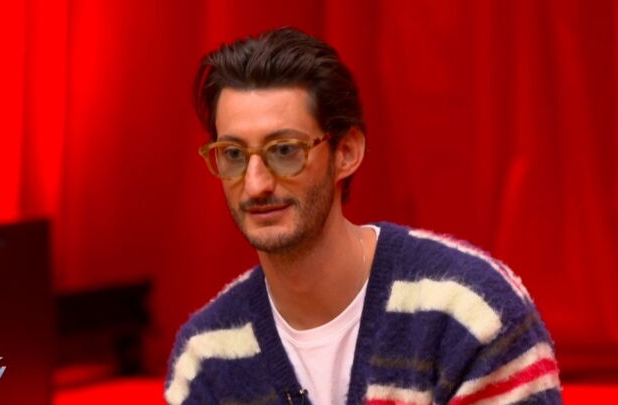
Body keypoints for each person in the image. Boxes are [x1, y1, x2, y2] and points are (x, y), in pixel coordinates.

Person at [164, 27, 561, 405]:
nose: (255, 184)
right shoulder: (206, 357)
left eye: (284, 150)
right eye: (233, 154)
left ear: (347, 152)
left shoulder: (469, 313)